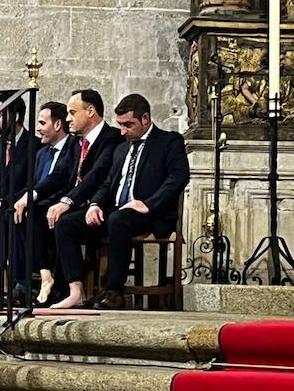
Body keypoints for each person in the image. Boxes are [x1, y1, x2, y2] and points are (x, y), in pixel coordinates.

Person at [53, 93, 191, 310]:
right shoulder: (121, 147)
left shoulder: (168, 141)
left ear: (145, 119)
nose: (123, 131)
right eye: (120, 125)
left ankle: (115, 292)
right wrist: (95, 204)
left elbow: (178, 177)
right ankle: (76, 291)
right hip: (117, 211)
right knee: (66, 223)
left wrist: (147, 204)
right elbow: (107, 183)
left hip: (150, 214)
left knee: (118, 220)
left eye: (129, 125)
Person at [43, 89, 122, 304]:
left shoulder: (112, 137)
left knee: (65, 223)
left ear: (90, 111)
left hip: (101, 207)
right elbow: (61, 176)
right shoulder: (77, 141)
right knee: (34, 213)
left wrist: (66, 202)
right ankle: (48, 282)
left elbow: (97, 175)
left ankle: (75, 292)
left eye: (71, 112)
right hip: (79, 203)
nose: (67, 118)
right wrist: (31, 195)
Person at [12, 100, 77, 305]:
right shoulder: (42, 154)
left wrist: (30, 197)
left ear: (57, 125)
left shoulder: (73, 146)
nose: (38, 129)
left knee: (34, 213)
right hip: (41, 204)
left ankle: (49, 280)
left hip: (65, 204)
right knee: (13, 213)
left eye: (42, 123)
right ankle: (25, 283)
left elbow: (60, 177)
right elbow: (32, 184)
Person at [0, 92, 37, 303]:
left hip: (19, 203)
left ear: (17, 116)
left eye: (0, 116)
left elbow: (32, 182)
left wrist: (2, 201)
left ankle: (11, 283)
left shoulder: (34, 145)